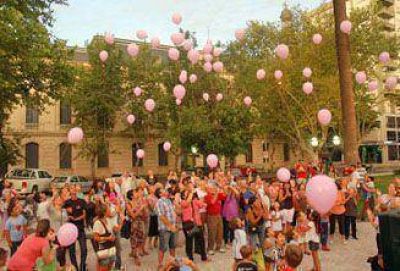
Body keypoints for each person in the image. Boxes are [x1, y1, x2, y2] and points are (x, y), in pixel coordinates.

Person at [63, 186, 88, 271]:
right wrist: (70, 213)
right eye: (71, 189)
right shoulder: (66, 202)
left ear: (76, 190)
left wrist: (77, 218)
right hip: (71, 230)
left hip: (80, 228)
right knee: (71, 251)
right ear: (69, 191)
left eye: (74, 188)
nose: (73, 190)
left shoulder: (82, 201)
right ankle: (75, 268)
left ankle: (83, 266)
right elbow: (64, 212)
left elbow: (84, 215)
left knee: (84, 249)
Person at [155, 188, 177, 270]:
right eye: (163, 190)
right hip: (165, 228)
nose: (166, 190)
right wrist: (170, 226)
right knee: (163, 247)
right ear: (160, 194)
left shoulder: (168, 200)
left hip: (172, 227)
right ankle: (160, 264)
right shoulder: (160, 202)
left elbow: (173, 212)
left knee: (172, 246)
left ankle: (173, 262)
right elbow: (161, 216)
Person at [126, 187, 147, 266]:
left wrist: (144, 209)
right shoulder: (129, 204)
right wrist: (140, 209)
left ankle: (135, 253)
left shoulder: (140, 202)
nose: (137, 193)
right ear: (131, 196)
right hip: (133, 224)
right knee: (134, 240)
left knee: (140, 240)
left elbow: (144, 216)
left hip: (141, 223)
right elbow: (133, 216)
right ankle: (136, 257)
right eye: (135, 192)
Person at [92, 204, 116, 271]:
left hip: (111, 247)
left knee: (110, 266)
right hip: (103, 249)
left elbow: (113, 231)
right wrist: (108, 238)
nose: (110, 210)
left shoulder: (108, 220)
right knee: (103, 268)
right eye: (108, 209)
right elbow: (96, 238)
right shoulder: (97, 223)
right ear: (104, 212)